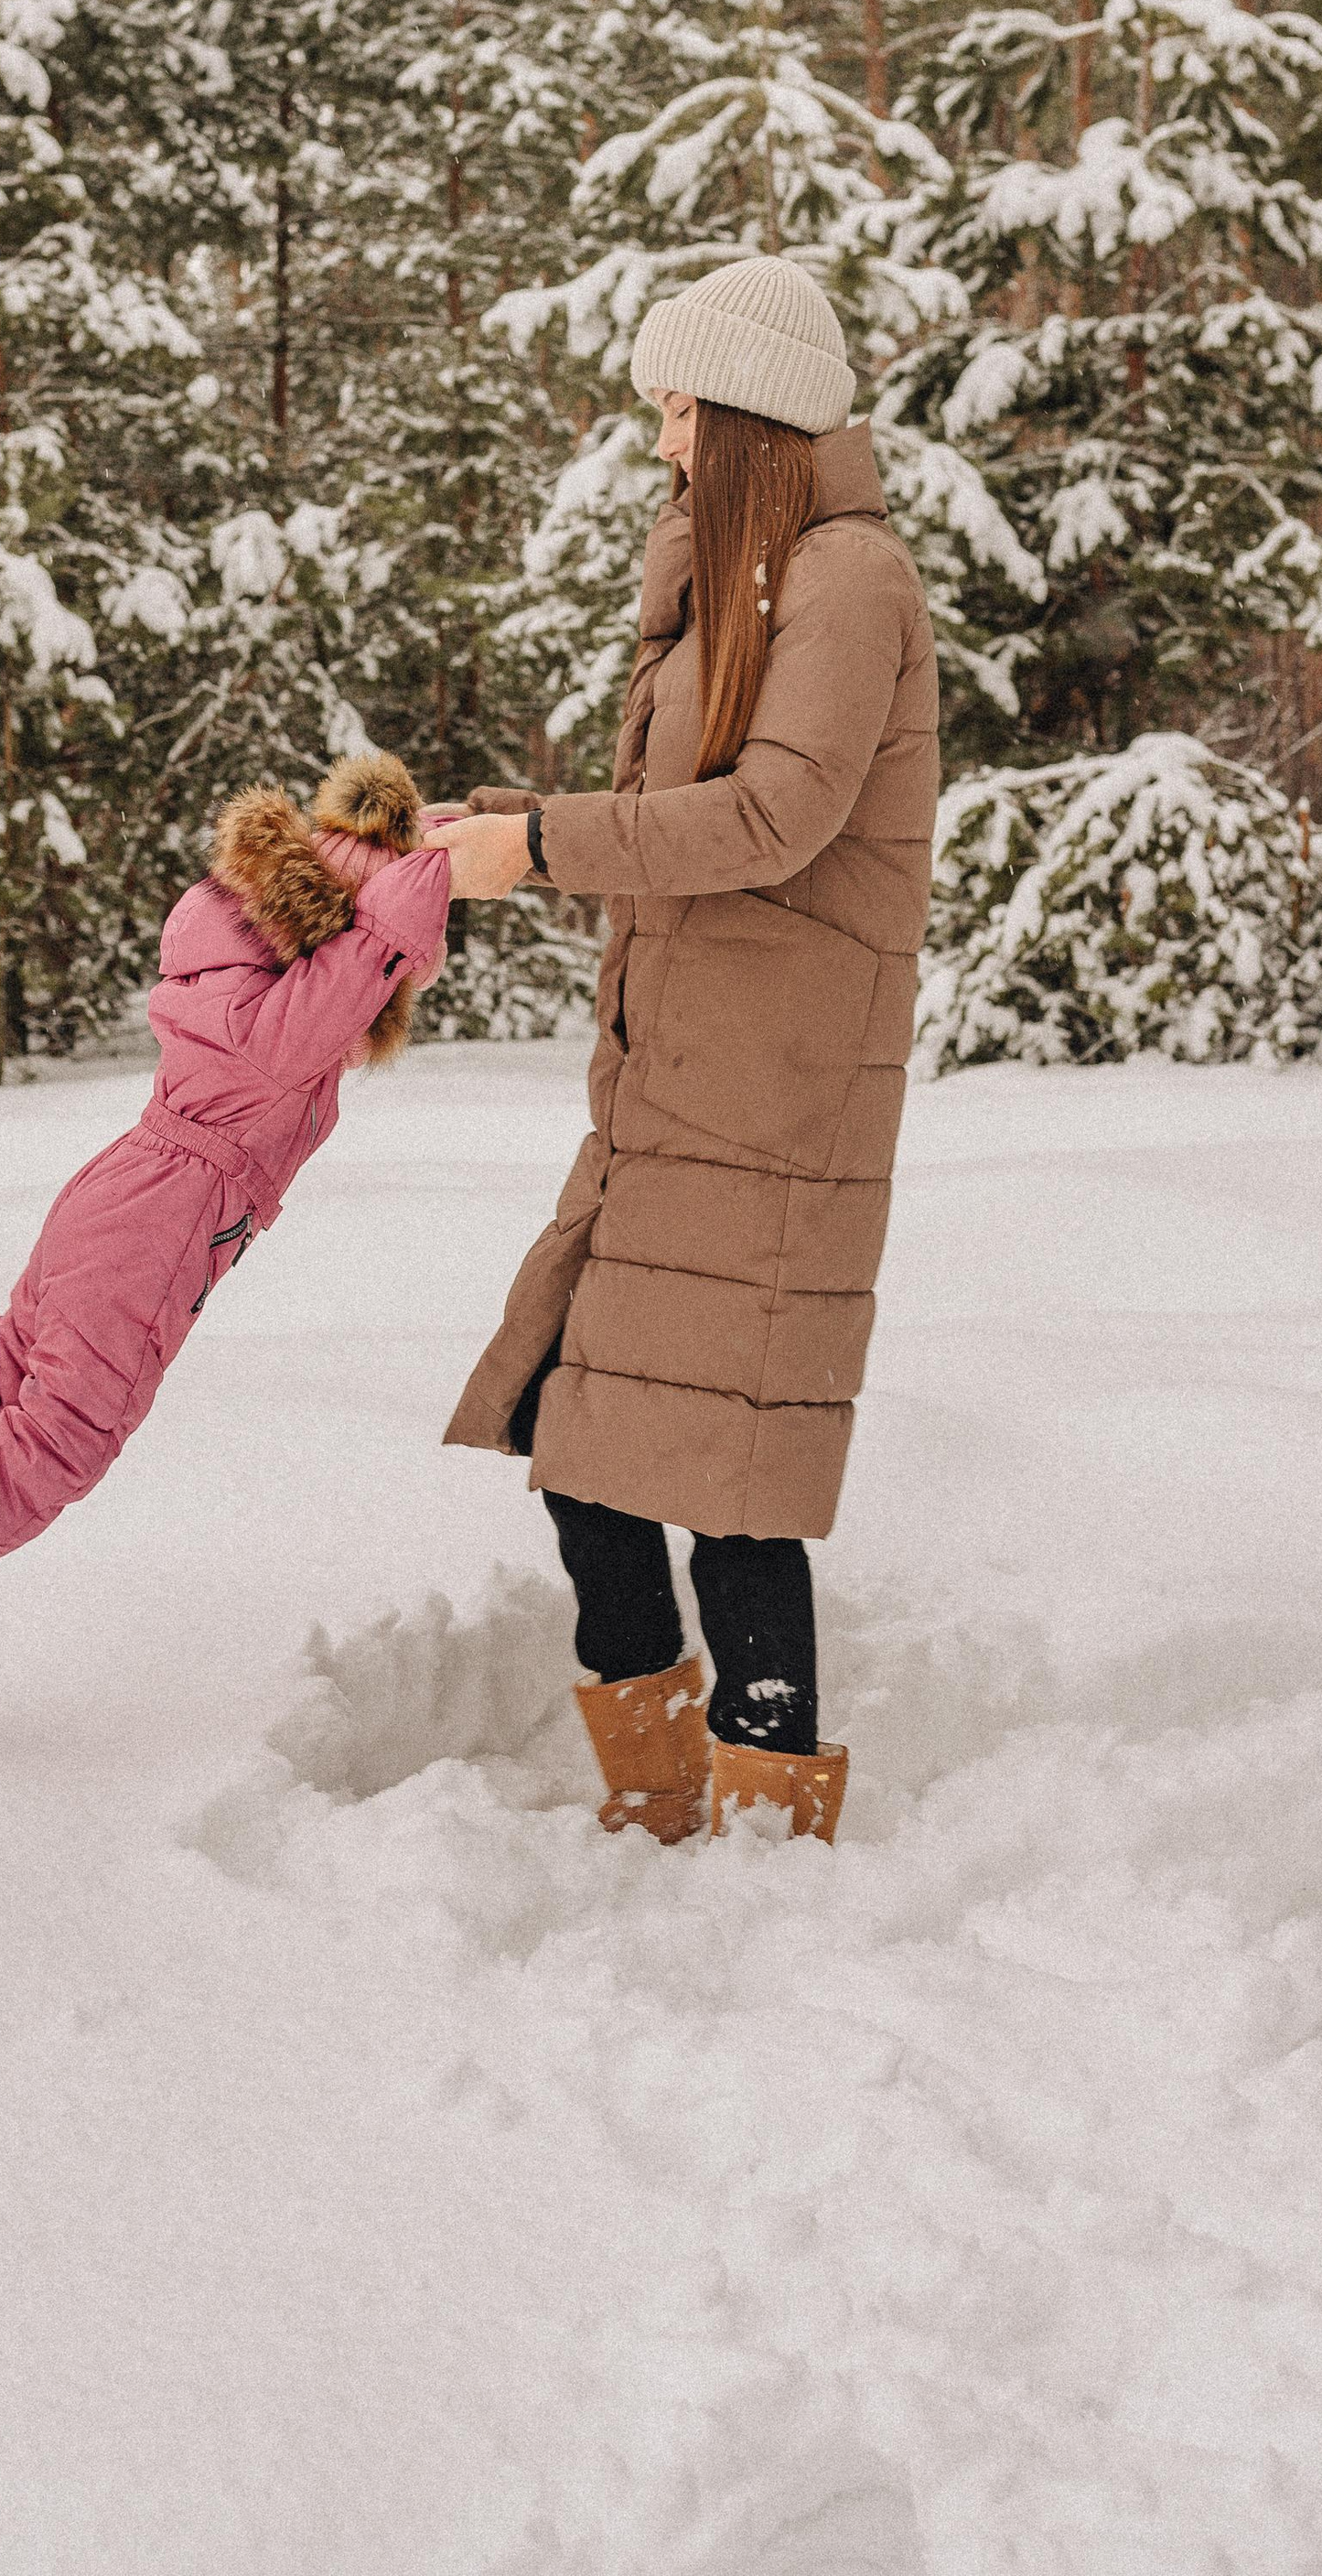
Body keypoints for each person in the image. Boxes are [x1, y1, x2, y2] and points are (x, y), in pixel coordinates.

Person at [427, 256, 940, 1845]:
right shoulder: (741, 583)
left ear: (748, 419)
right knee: (585, 1445)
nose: (657, 440)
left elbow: (774, 818)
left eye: (676, 410)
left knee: (733, 1487)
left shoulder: (849, 581)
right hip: (676, 1086)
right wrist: (505, 827)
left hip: (772, 1100)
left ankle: (771, 1824)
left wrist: (540, 847)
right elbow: (675, 816)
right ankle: (655, 1798)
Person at [0, 754, 452, 1650]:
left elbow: (350, 956)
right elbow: (364, 956)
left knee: (22, 1367)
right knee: (72, 1429)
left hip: (118, 1190)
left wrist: (447, 842)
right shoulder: (282, 1035)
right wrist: (418, 886)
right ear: (327, 941)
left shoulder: (236, 994)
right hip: (160, 1227)